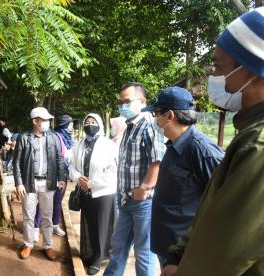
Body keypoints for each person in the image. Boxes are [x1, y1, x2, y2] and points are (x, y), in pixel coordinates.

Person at [162, 7, 264, 276]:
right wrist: (178, 254)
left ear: (251, 70)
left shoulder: (258, 145)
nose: (212, 76)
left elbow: (226, 253)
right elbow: (213, 214)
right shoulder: (248, 132)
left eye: (218, 66)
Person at [141, 87, 224, 268]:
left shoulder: (203, 151)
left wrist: (180, 258)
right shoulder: (172, 146)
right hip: (167, 246)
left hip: (185, 254)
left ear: (169, 115)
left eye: (156, 114)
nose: (155, 119)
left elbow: (221, 206)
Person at [103, 82, 165, 276]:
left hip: (143, 202)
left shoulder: (149, 125)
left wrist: (144, 188)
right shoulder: (130, 126)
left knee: (144, 255)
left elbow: (157, 161)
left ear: (142, 101)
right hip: (125, 199)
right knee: (118, 249)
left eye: (127, 101)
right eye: (121, 102)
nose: (123, 106)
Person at [69, 113, 118, 275]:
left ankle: (99, 257)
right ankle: (90, 253)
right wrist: (78, 177)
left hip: (103, 192)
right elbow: (71, 166)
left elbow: (113, 170)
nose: (90, 125)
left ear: (100, 125)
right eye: (87, 122)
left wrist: (91, 183)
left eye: (93, 122)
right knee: (89, 223)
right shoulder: (79, 144)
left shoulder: (108, 145)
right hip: (85, 192)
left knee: (102, 226)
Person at [13, 107, 65, 261]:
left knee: (47, 217)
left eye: (48, 120)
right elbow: (16, 162)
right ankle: (28, 244)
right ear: (35, 121)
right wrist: (19, 183)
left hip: (48, 183)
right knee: (29, 215)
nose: (47, 122)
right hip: (29, 183)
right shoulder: (24, 138)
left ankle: (47, 246)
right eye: (45, 119)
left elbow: (59, 159)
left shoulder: (53, 137)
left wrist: (61, 177)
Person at [34, 114, 76, 238]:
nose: (72, 127)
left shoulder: (68, 139)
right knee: (45, 201)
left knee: (57, 201)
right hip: (54, 176)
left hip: (64, 175)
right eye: (70, 125)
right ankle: (36, 227)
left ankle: (55, 225)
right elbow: (52, 158)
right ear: (64, 126)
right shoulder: (55, 137)